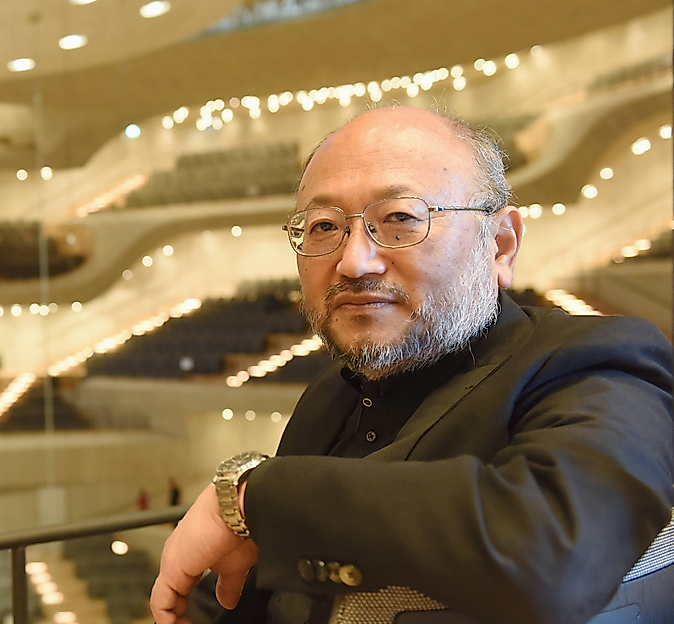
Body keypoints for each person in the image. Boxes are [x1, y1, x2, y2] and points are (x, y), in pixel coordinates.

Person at [149, 106, 674, 624]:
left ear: (501, 245)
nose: (354, 262)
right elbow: (268, 590)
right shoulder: (331, 392)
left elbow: (557, 554)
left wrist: (255, 498)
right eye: (324, 226)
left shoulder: (598, 362)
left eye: (400, 219)